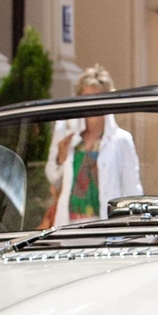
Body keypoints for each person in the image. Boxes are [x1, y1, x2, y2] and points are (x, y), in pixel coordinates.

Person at [43, 66, 142, 224]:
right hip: (68, 226)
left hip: (105, 227)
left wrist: (133, 230)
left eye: (99, 97)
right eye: (87, 97)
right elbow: (52, 177)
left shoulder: (121, 140)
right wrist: (60, 158)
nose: (92, 103)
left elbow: (132, 190)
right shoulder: (66, 131)